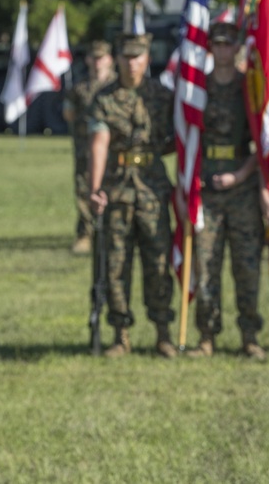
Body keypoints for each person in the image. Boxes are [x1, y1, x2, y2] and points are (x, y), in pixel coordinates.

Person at [88, 33, 177, 358]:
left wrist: (153, 154)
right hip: (117, 189)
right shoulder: (105, 98)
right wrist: (96, 189)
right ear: (118, 59)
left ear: (147, 58)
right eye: (126, 56)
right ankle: (120, 334)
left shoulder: (162, 95)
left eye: (138, 56)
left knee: (158, 262)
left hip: (153, 188)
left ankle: (163, 332)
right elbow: (99, 143)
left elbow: (179, 136)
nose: (132, 63)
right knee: (116, 264)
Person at [185, 23, 267, 361]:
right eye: (216, 44)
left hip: (242, 188)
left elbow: (263, 141)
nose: (221, 50)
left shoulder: (249, 88)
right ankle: (206, 336)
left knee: (247, 266)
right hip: (205, 189)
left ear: (236, 48)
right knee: (206, 265)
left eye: (227, 44)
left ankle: (250, 336)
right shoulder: (196, 88)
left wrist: (240, 175)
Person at [63, 39, 115, 255]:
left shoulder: (116, 87)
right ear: (87, 60)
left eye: (101, 57)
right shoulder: (79, 89)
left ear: (109, 60)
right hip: (85, 148)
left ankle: (111, 232)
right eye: (94, 58)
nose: (97, 62)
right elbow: (68, 114)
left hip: (112, 150)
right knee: (84, 189)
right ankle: (85, 233)